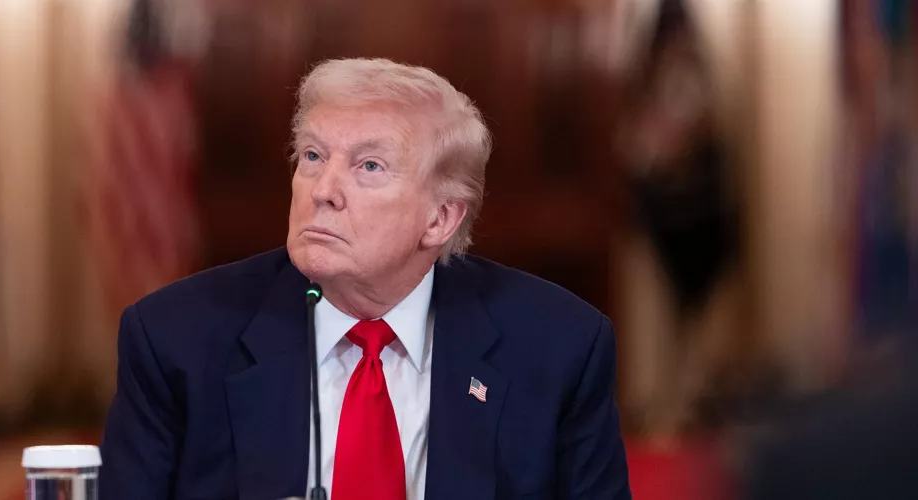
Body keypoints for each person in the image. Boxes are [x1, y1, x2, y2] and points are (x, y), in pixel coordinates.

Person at [99, 58, 630, 500]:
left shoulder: (559, 348)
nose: (323, 189)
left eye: (369, 166)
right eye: (312, 156)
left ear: (441, 218)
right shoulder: (176, 340)